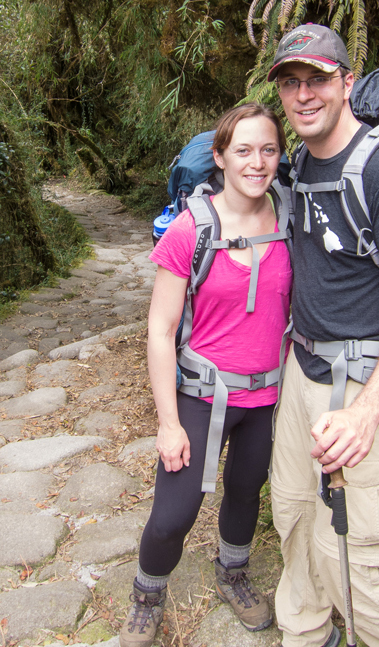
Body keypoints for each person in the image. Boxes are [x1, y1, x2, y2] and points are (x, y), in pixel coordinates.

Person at [268, 23, 379, 647]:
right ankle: (305, 632)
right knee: (292, 516)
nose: (303, 95)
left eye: (317, 79)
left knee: (359, 556)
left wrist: (368, 412)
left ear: (347, 83)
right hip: (306, 368)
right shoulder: (301, 163)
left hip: (372, 383)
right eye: (291, 83)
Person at [120, 103, 291, 646]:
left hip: (266, 397)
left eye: (268, 150)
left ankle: (233, 574)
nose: (257, 162)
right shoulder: (191, 230)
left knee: (246, 491)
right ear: (220, 157)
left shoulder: (292, 220)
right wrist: (168, 422)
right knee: (175, 513)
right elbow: (160, 327)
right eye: (243, 150)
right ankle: (147, 596)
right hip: (200, 396)